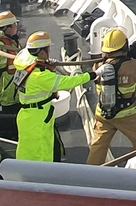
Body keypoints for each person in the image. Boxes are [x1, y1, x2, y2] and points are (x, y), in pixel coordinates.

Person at [13, 31, 94, 162]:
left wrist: (46, 63)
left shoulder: (24, 65)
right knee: (42, 152)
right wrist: (92, 75)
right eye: (48, 49)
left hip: (28, 116)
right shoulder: (41, 76)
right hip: (39, 119)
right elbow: (68, 82)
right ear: (41, 53)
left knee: (29, 149)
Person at [87, 28, 136, 165]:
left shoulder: (98, 65)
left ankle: (90, 174)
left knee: (98, 147)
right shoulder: (133, 66)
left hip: (104, 114)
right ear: (125, 45)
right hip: (129, 115)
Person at [0, 11, 22, 111]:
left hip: (13, 86)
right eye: (15, 24)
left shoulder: (10, 40)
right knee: (10, 113)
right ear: (7, 28)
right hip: (7, 88)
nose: (16, 26)